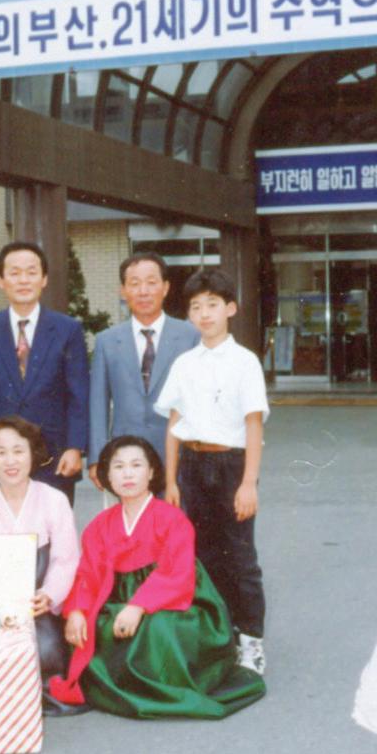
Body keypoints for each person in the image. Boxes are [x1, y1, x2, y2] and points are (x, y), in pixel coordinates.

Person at [48, 436, 265, 718]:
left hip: (175, 602)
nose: (127, 474)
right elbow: (87, 574)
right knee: (96, 628)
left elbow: (177, 574)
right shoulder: (99, 526)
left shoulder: (172, 519)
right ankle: (130, 686)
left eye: (136, 465)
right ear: (107, 476)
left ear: (151, 472)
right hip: (117, 600)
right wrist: (77, 610)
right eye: (119, 467)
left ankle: (156, 689)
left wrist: (139, 606)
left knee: (157, 629)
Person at [154, 268, 270, 676]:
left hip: (231, 465)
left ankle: (252, 642)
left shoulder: (245, 362)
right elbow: (174, 424)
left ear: (230, 309)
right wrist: (171, 481)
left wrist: (248, 483)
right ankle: (220, 637)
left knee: (240, 557)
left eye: (213, 305)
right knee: (202, 556)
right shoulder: (185, 363)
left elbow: (253, 424)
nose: (204, 314)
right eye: (196, 307)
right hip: (192, 464)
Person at [0, 241, 89, 504]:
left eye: (31, 272)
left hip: (54, 455)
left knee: (52, 525)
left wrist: (75, 447)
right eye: (14, 273)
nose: (23, 280)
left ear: (44, 279)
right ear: (0, 280)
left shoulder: (68, 329)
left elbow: (78, 393)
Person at [0, 416, 79, 680]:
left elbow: (65, 560)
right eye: (0, 453)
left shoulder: (55, 500)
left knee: (45, 652)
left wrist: (49, 595)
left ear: (33, 453)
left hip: (37, 606)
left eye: (18, 451)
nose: (10, 461)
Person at [88, 252, 199, 491]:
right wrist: (97, 456)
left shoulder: (190, 336)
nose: (143, 291)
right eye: (135, 284)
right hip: (125, 458)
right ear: (123, 290)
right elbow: (98, 403)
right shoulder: (107, 341)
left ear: (165, 287)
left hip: (179, 454)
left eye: (151, 282)